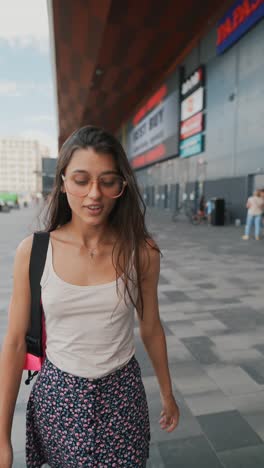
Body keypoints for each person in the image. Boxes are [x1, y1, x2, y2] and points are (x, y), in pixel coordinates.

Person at [0, 126, 180, 468]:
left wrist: (168, 394)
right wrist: (1, 439)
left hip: (122, 396)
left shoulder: (141, 251)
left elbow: (151, 327)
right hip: (57, 397)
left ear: (122, 185)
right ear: (63, 181)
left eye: (108, 180)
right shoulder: (34, 251)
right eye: (81, 180)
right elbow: (13, 344)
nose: (94, 194)